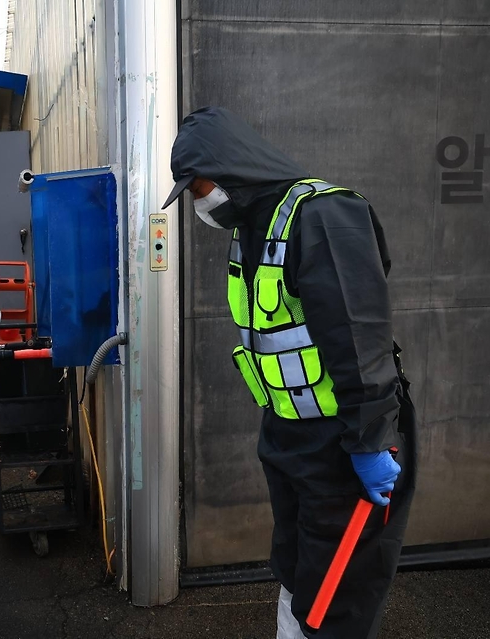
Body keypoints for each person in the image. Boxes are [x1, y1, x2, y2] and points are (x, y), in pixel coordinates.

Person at [162, 107, 416, 639]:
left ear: (227, 168)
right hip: (289, 437)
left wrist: (370, 443)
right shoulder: (253, 227)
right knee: (298, 567)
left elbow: (359, 338)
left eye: (199, 185)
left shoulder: (322, 216)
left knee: (336, 593)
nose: (197, 199)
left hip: (347, 443)